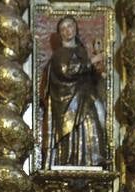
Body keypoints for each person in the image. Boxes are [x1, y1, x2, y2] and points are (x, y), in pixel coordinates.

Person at [40, 16, 109, 169]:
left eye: (69, 26)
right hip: (66, 101)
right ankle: (70, 160)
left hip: (85, 97)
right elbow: (66, 71)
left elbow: (90, 75)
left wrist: (99, 71)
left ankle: (93, 159)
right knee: (74, 128)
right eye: (63, 28)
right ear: (60, 34)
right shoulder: (59, 54)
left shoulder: (81, 51)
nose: (67, 30)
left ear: (75, 28)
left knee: (95, 121)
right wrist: (92, 61)